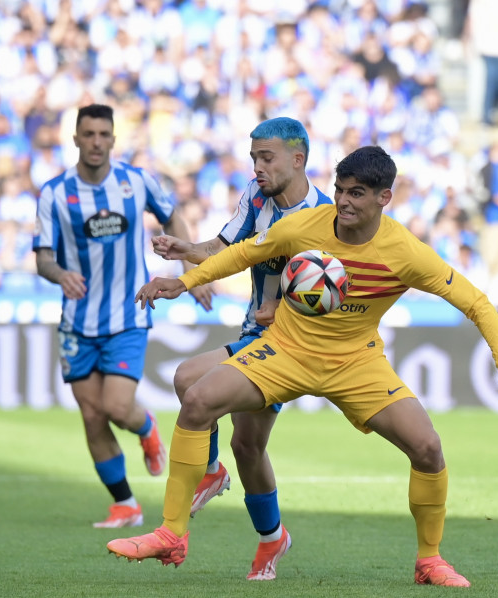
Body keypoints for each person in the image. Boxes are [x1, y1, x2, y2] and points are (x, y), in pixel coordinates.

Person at [107, 146, 498, 587]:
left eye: (357, 193)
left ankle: (429, 560)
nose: (344, 201)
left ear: (384, 198)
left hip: (357, 363)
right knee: (199, 398)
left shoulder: (405, 252)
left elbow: (477, 303)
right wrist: (182, 282)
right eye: (339, 190)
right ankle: (172, 532)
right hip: (286, 352)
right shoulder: (303, 226)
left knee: (428, 449)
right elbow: (241, 255)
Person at [150, 117, 332, 580]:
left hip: (288, 345)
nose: (257, 167)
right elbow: (224, 247)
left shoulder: (325, 219)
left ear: (298, 159)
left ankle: (212, 474)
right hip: (255, 333)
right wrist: (184, 249)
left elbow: (333, 295)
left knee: (191, 382)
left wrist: (286, 309)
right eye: (253, 157)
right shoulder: (256, 196)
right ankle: (272, 539)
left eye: (266, 157)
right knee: (247, 446)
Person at [32, 103, 213, 528]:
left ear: (113, 139)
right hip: (77, 320)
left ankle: (145, 425)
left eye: (103, 134)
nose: (96, 142)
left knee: (115, 406)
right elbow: (42, 258)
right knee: (91, 414)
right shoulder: (54, 193)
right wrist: (60, 274)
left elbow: (173, 216)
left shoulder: (136, 181)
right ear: (75, 139)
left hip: (127, 314)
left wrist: (193, 267)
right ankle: (125, 504)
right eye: (88, 134)